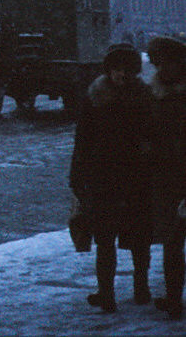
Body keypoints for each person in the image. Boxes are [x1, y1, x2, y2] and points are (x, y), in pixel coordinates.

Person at [70, 41, 153, 313]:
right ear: (109, 70)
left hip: (131, 176)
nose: (121, 74)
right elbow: (83, 138)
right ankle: (107, 293)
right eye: (117, 69)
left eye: (126, 69)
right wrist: (77, 174)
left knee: (137, 237)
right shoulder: (103, 97)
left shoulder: (137, 97)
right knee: (106, 239)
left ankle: (140, 288)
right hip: (106, 176)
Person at [148, 35, 186, 319]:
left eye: (167, 63)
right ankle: (173, 299)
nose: (162, 68)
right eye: (158, 62)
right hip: (167, 180)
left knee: (173, 242)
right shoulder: (154, 95)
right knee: (172, 243)